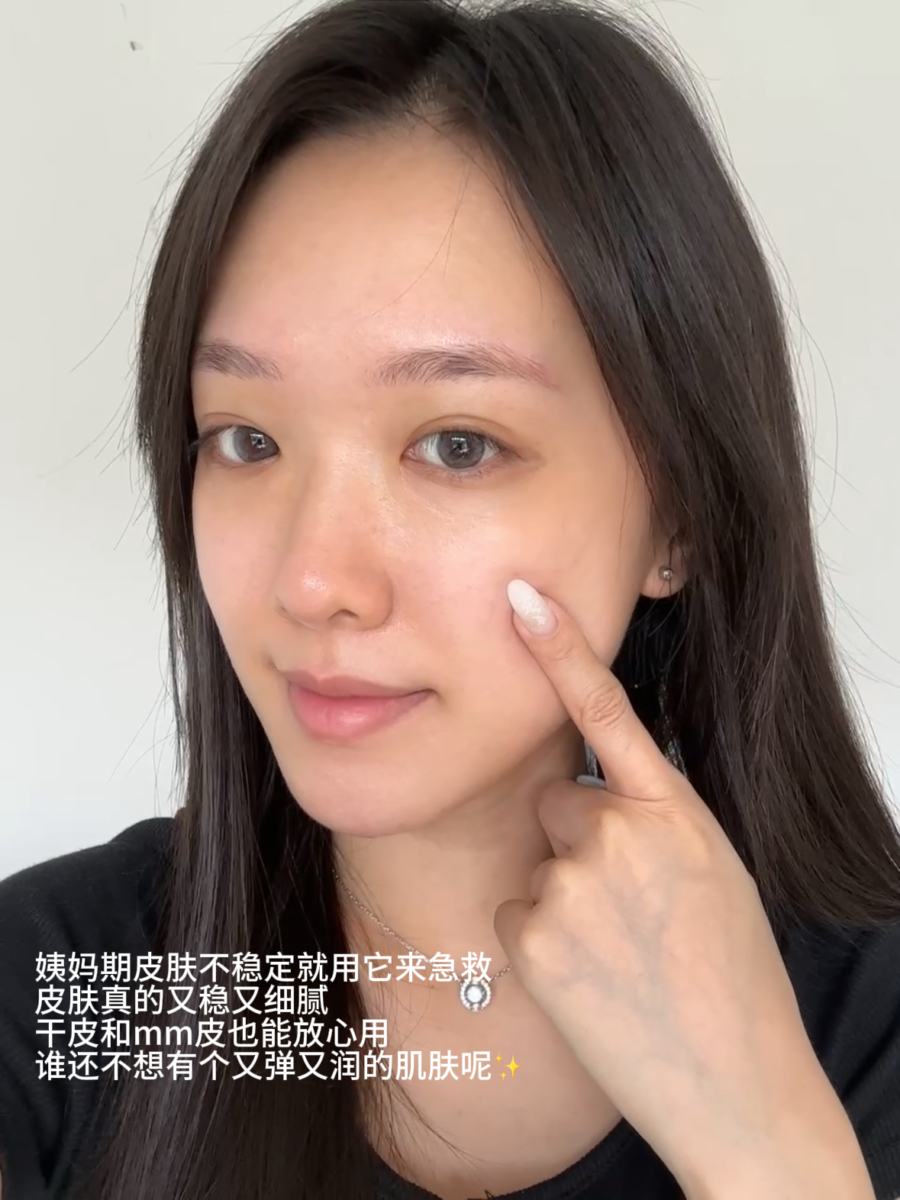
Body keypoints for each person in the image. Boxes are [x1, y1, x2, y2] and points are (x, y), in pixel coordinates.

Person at [1, 0, 899, 1197]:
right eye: (248, 438)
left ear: (678, 518)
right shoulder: (57, 992)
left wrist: (767, 1143)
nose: (313, 582)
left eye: (458, 445)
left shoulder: (873, 1019)